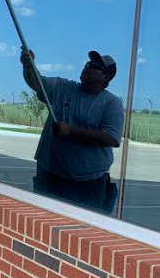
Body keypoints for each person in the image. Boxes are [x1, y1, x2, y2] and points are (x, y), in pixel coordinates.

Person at [20, 48, 123, 213]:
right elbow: (37, 83)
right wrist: (28, 66)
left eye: (94, 66)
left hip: (88, 183)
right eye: (88, 63)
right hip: (50, 176)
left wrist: (70, 131)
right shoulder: (64, 87)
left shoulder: (112, 103)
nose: (87, 67)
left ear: (105, 77)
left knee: (84, 229)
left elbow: (111, 138)